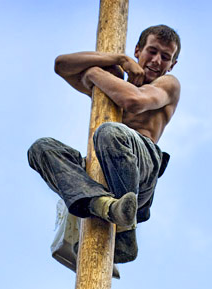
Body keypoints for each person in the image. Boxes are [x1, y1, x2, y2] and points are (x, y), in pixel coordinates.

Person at [28, 24, 181, 264]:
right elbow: (61, 65)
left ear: (172, 64)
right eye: (152, 51)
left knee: (110, 133)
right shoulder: (115, 80)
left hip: (140, 168)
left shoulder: (168, 84)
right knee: (42, 148)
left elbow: (134, 100)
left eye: (165, 57)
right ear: (137, 50)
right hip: (102, 169)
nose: (157, 61)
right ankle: (106, 207)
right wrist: (118, 59)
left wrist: (93, 75)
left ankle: (125, 229)